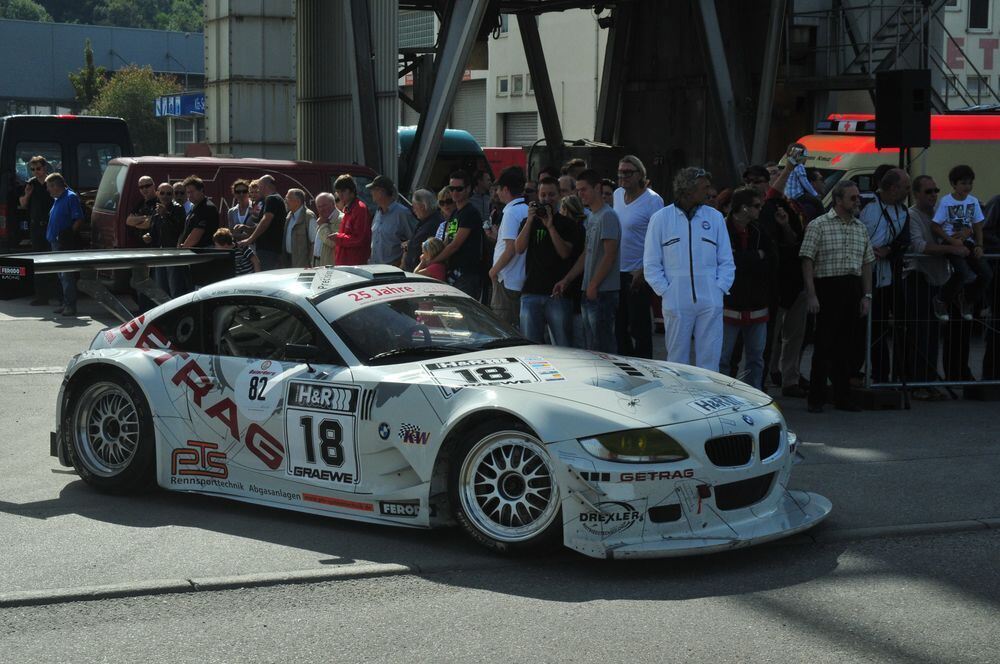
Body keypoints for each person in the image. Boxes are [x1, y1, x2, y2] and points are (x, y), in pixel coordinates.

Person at [644, 167, 735, 371]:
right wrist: (666, 291)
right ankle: (679, 399)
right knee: (677, 361)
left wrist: (718, 289)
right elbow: (651, 263)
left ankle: (709, 398)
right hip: (676, 300)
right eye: (705, 187)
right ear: (688, 190)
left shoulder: (715, 218)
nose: (709, 192)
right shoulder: (660, 219)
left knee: (710, 359)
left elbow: (727, 260)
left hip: (710, 300)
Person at [800, 180, 875, 413]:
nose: (857, 201)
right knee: (823, 345)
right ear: (838, 200)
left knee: (847, 346)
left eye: (857, 197)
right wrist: (811, 294)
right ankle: (816, 398)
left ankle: (842, 397)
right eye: (852, 197)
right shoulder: (819, 225)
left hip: (852, 287)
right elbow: (807, 259)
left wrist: (867, 295)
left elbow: (866, 263)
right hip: (827, 287)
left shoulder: (859, 227)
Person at [903, 176, 959, 400]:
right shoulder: (912, 215)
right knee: (920, 332)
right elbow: (918, 245)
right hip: (919, 276)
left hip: (939, 279)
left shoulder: (940, 215)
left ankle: (928, 380)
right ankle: (917, 382)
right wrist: (949, 249)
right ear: (916, 194)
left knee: (933, 333)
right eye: (928, 191)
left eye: (935, 190)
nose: (933, 194)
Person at [554, 169, 621, 352]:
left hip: (603, 291)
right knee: (591, 345)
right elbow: (587, 254)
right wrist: (567, 280)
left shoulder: (607, 216)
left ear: (597, 188)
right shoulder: (592, 216)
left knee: (603, 346)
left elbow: (610, 254)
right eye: (578, 190)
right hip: (590, 289)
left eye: (584, 189)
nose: (579, 194)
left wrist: (593, 285)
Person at [719, 188, 777, 389]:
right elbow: (726, 262)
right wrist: (755, 256)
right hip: (729, 303)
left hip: (757, 304)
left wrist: (746, 259)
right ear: (743, 208)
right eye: (756, 206)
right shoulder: (722, 230)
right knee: (724, 358)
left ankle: (755, 397)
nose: (760, 209)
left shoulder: (760, 231)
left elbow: (772, 260)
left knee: (756, 358)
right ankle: (720, 396)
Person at [516, 176, 582, 346]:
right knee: (531, 347)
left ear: (559, 195)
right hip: (531, 291)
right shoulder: (528, 222)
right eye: (543, 195)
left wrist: (550, 226)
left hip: (557, 295)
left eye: (551, 195)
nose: (547, 199)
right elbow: (519, 248)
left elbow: (565, 253)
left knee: (562, 346)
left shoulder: (567, 224)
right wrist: (530, 220)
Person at [858, 167, 910, 382]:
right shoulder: (864, 202)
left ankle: (883, 375)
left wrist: (890, 250)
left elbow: (904, 242)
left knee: (880, 328)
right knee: (859, 328)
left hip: (886, 277)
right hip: (859, 275)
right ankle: (852, 373)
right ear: (893, 188)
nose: (909, 191)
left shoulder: (904, 212)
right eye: (906, 187)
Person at [612, 155, 664, 359]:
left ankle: (645, 368)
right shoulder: (617, 195)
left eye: (628, 172)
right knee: (619, 326)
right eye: (620, 172)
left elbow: (660, 238)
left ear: (640, 175)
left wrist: (644, 270)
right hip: (617, 271)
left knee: (639, 328)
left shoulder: (653, 200)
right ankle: (625, 368)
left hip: (638, 273)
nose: (623, 176)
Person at [931, 164, 993, 321]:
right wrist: (952, 241)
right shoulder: (946, 202)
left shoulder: (973, 202)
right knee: (962, 271)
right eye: (963, 183)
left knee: (986, 273)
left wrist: (979, 245)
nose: (967, 187)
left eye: (970, 183)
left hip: (968, 243)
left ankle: (967, 299)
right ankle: (941, 299)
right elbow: (935, 226)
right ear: (953, 184)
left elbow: (978, 225)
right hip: (951, 243)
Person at [431, 170, 484, 299]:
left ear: (468, 189)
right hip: (454, 273)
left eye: (459, 189)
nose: (454, 192)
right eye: (451, 188)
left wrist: (432, 260)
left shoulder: (470, 212)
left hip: (467, 273)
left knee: (467, 315)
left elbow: (455, 245)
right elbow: (447, 241)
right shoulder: (456, 213)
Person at [488, 166, 529, 327]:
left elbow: (510, 248)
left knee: (503, 327)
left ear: (505, 189)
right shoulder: (526, 210)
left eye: (498, 189)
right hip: (520, 279)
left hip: (508, 280)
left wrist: (493, 270)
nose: (497, 193)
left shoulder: (511, 212)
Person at [45, 173, 85, 316]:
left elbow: (78, 219)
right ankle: (65, 302)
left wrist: (68, 237)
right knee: (61, 275)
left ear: (56, 186)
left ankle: (70, 305)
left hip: (63, 244)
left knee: (67, 275)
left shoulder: (70, 197)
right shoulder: (58, 199)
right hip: (55, 242)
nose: (48, 190)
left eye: (49, 187)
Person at [19, 156, 57, 305]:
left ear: (44, 168)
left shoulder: (53, 182)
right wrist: (27, 193)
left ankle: (58, 294)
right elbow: (22, 204)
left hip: (50, 225)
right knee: (39, 260)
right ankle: (42, 296)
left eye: (38, 169)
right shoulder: (31, 184)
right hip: (36, 227)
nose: (36, 172)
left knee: (54, 259)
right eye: (33, 169)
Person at [143, 182, 187, 298]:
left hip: (172, 253)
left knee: (174, 286)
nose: (165, 196)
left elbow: (179, 228)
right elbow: (153, 230)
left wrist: (166, 214)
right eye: (162, 193)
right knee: (161, 286)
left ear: (172, 195)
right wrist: (147, 236)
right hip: (159, 253)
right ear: (157, 193)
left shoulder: (178, 208)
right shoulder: (156, 210)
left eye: (168, 194)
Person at [124, 175, 160, 309]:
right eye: (141, 187)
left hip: (153, 250)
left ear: (153, 185)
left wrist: (137, 221)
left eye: (147, 186)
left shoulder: (158, 201)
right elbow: (128, 221)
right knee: (137, 282)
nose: (144, 189)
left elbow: (149, 224)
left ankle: (149, 310)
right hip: (140, 250)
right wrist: (144, 219)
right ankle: (142, 310)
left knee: (150, 282)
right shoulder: (140, 203)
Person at [239, 174, 285, 270]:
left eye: (259, 186)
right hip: (270, 249)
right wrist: (246, 228)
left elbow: (266, 221)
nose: (258, 189)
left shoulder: (271, 198)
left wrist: (250, 240)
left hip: (268, 249)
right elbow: (264, 224)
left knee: (265, 276)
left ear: (265, 186)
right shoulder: (276, 198)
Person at [367, 175, 414, 266]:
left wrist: (401, 263)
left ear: (382, 191)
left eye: (373, 189)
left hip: (392, 270)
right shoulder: (378, 212)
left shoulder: (403, 213)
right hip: (374, 267)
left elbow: (413, 241)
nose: (371, 192)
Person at [332, 174, 371, 266]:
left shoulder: (360, 209)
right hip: (345, 263)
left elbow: (359, 239)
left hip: (354, 264)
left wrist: (338, 237)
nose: (340, 195)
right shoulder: (348, 208)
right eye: (338, 191)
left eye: (343, 191)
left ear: (352, 190)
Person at [405, 189, 443, 272]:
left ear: (422, 206)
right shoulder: (425, 221)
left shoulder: (434, 223)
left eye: (414, 207)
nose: (413, 210)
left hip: (422, 272)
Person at [283, 188, 318, 268]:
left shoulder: (309, 217)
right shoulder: (289, 215)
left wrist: (310, 263)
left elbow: (314, 242)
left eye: (288, 199)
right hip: (289, 262)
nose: (285, 201)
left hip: (303, 265)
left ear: (298, 201)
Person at [313, 192, 340, 266]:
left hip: (331, 267)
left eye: (324, 205)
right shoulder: (323, 218)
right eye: (319, 206)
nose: (322, 209)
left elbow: (333, 243)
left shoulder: (340, 219)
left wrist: (323, 225)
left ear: (332, 203)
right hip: (318, 263)